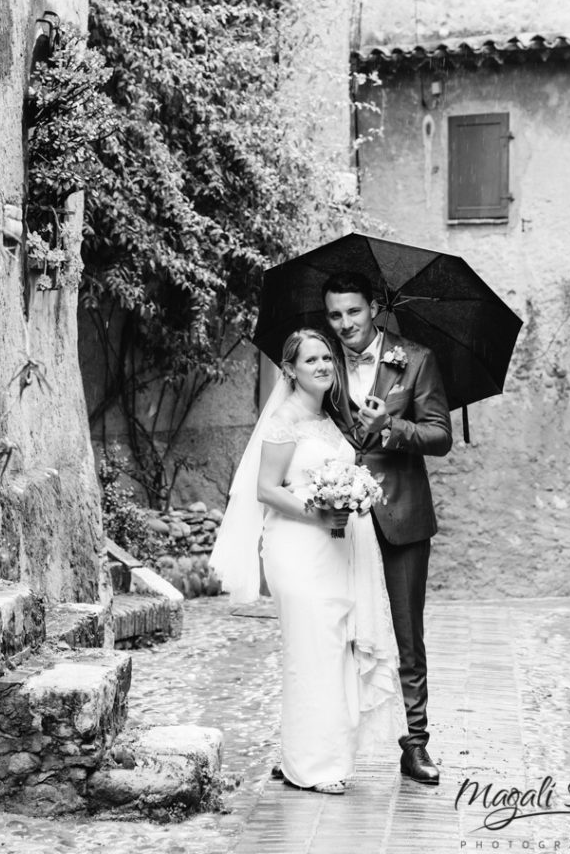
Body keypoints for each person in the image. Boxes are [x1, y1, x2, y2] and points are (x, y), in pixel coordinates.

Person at [210, 328, 405, 795]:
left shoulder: (328, 421)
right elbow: (266, 489)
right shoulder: (282, 422)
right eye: (310, 360)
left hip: (336, 549)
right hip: (297, 551)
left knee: (335, 651)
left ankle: (325, 757)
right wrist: (319, 510)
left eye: (326, 359)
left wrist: (352, 495)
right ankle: (310, 767)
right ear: (290, 370)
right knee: (311, 653)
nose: (321, 366)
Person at [322, 272, 452, 786]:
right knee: (335, 632)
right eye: (335, 315)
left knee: (406, 634)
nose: (345, 324)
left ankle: (415, 744)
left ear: (373, 307)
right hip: (340, 518)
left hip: (401, 516)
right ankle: (328, 745)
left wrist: (389, 429)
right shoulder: (323, 361)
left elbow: (440, 436)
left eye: (353, 312)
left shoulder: (415, 359)